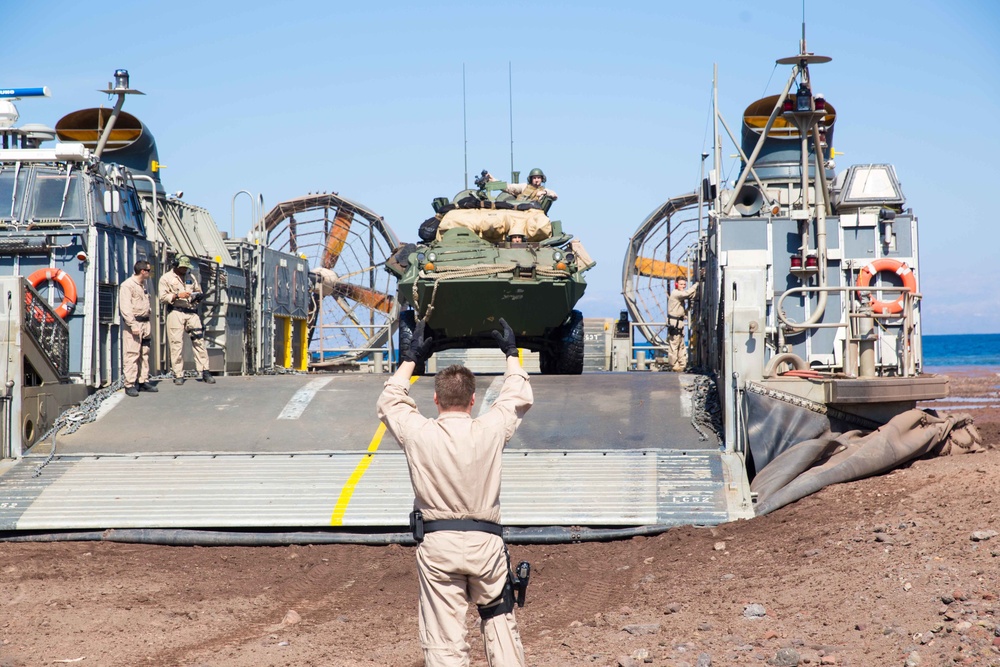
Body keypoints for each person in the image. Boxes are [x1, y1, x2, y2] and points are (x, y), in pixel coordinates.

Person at [377, 318, 532, 667]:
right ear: (474, 399)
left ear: (435, 399)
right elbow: (517, 396)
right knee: (500, 621)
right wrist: (511, 354)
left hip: (438, 546)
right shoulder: (490, 429)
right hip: (486, 545)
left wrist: (412, 358)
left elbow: (390, 401)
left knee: (444, 639)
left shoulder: (419, 432)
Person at [158, 256, 215, 385]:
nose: (184, 269)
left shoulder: (191, 277)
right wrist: (177, 295)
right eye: (182, 267)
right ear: (176, 265)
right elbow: (162, 297)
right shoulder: (166, 278)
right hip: (176, 311)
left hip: (191, 312)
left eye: (186, 267)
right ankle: (178, 373)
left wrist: (198, 296)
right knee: (176, 344)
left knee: (199, 341)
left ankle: (205, 370)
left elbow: (197, 290)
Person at [118, 260, 157, 397]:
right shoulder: (127, 286)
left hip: (145, 323)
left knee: (144, 353)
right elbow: (125, 308)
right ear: (143, 271)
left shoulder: (144, 284)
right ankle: (129, 384)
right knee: (132, 354)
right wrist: (133, 325)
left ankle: (143, 380)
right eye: (148, 270)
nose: (149, 273)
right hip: (134, 323)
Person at [667, 277, 698, 372]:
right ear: (676, 284)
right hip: (675, 323)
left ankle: (682, 365)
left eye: (684, 284)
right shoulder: (676, 293)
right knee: (674, 344)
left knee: (681, 344)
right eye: (681, 284)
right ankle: (674, 365)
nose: (683, 286)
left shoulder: (679, 294)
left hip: (679, 322)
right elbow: (687, 294)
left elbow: (689, 295)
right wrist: (697, 284)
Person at [494, 168, 558, 203]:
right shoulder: (524, 186)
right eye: (534, 178)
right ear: (531, 179)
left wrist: (544, 193)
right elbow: (509, 187)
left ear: (542, 179)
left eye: (538, 178)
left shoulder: (544, 190)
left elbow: (554, 195)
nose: (536, 180)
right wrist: (493, 180)